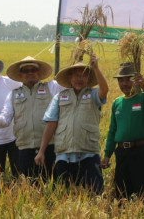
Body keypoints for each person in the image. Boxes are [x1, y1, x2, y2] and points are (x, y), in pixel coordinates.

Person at [34, 54, 108, 193]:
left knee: (95, 194)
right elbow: (51, 124)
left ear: (88, 78)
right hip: (64, 155)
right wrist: (41, 151)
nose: (79, 79)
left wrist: (96, 68)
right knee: (63, 195)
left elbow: (105, 90)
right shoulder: (60, 97)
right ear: (69, 78)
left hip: (88, 154)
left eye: (83, 75)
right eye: (76, 75)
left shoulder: (93, 94)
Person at [0, 56, 64, 180]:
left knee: (52, 185)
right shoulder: (13, 94)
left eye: (33, 70)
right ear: (20, 74)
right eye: (26, 71)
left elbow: (72, 82)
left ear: (38, 73)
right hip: (25, 148)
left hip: (50, 146)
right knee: (29, 186)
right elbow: (5, 119)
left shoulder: (52, 87)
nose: (30, 73)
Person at [101, 62, 144, 208]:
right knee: (122, 195)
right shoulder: (117, 103)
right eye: (120, 80)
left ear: (135, 80)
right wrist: (107, 155)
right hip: (122, 153)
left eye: (128, 79)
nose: (124, 83)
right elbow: (112, 130)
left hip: (142, 152)